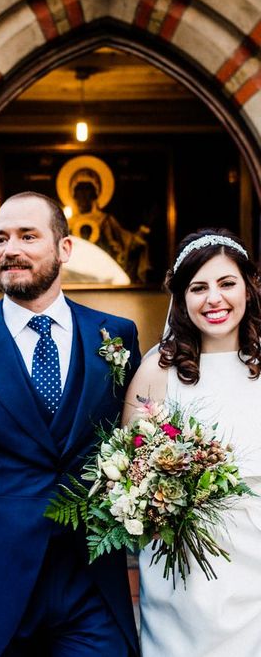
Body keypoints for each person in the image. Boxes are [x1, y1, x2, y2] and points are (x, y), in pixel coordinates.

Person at [0, 192, 142, 656]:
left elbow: (138, 444)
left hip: (91, 583)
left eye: (27, 236)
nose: (9, 249)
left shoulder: (115, 336)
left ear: (65, 248)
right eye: (0, 238)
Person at [124, 228, 261, 656]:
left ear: (248, 288)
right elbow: (131, 474)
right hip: (182, 573)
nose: (213, 299)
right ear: (181, 297)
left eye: (226, 283)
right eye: (198, 287)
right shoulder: (156, 372)